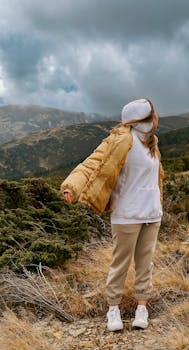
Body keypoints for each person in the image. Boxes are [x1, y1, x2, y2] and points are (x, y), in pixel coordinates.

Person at [61, 98, 164, 332]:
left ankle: (142, 307)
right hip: (126, 214)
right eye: (153, 113)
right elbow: (91, 164)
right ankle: (113, 308)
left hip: (151, 214)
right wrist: (72, 186)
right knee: (120, 264)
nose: (157, 117)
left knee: (145, 264)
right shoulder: (121, 140)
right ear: (146, 118)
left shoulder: (152, 143)